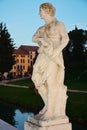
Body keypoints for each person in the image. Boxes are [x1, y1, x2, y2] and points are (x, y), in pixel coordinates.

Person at [32, 2, 69, 120]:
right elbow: (33, 38)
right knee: (36, 79)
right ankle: (48, 105)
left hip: (54, 57)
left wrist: (56, 51)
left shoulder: (59, 24)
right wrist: (42, 39)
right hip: (43, 56)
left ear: (46, 10)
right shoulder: (41, 28)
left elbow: (65, 39)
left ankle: (51, 111)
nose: (39, 13)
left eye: (40, 11)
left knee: (51, 82)